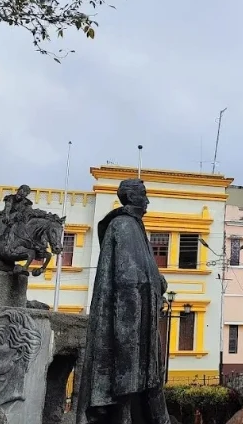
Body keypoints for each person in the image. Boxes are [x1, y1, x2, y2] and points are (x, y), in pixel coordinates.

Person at [76, 179, 173, 424]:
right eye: (144, 195)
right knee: (127, 378)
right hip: (128, 320)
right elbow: (128, 278)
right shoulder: (123, 226)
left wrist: (156, 281)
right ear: (132, 197)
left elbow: (142, 271)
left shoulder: (135, 227)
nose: (147, 201)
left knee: (143, 378)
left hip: (140, 320)